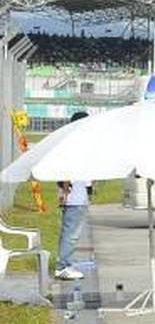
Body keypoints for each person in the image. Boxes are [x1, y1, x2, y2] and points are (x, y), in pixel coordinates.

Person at [55, 111, 92, 281]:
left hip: (78, 192)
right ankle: (63, 266)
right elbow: (65, 169)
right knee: (71, 233)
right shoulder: (73, 144)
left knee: (70, 232)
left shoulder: (76, 142)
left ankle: (65, 262)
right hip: (74, 194)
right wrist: (64, 190)